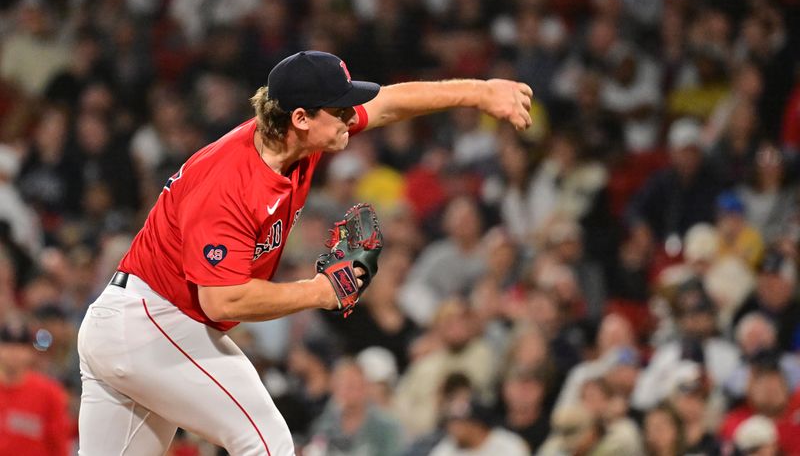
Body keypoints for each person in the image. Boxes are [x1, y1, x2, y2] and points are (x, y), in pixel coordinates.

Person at [76, 50, 533, 455]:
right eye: (339, 108)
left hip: (133, 325)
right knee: (267, 441)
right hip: (152, 321)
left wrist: (480, 91)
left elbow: (389, 102)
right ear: (300, 118)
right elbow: (223, 299)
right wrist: (319, 292)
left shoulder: (299, 139)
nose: (350, 114)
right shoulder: (230, 182)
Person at [0, 319, 71, 456]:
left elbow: (59, 444)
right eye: (7, 345)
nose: (13, 352)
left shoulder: (49, 393)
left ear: (30, 352)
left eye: (20, 346)